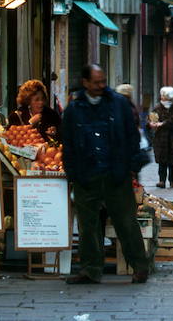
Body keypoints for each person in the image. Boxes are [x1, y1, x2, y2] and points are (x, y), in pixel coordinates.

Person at [61, 64, 149, 285]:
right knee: (87, 226)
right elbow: (68, 144)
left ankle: (139, 266)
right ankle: (90, 269)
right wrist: (73, 174)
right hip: (86, 175)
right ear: (86, 83)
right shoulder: (74, 109)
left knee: (126, 222)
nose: (101, 85)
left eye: (103, 81)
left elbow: (132, 136)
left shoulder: (118, 104)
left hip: (115, 173)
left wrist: (131, 167)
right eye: (97, 82)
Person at [149, 86, 173, 188]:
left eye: (164, 96)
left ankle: (172, 181)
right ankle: (162, 180)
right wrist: (152, 123)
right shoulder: (157, 107)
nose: (162, 97)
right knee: (162, 161)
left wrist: (163, 124)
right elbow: (152, 117)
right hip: (161, 138)